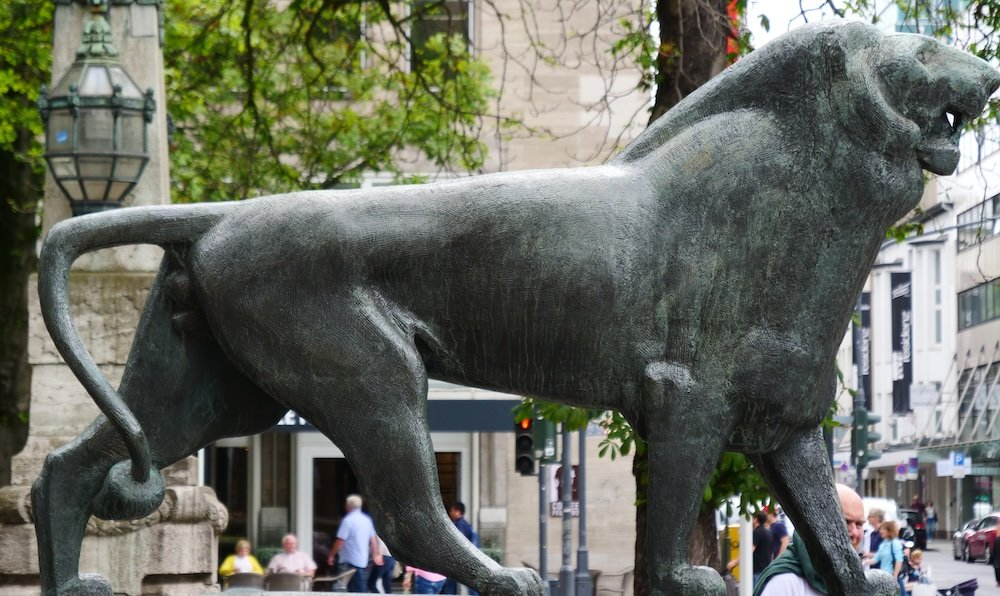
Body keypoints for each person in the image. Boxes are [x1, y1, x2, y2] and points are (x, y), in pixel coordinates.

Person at [754, 483, 866, 596]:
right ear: (819, 523)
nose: (855, 532)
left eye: (859, 524)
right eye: (846, 522)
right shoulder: (785, 582)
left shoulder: (857, 579)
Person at [327, 494, 382, 593]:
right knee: (359, 589)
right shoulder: (367, 521)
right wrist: (375, 555)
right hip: (363, 561)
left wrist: (331, 555)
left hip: (348, 562)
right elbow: (373, 540)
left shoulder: (348, 521)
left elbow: (340, 540)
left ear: (348, 506)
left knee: (342, 589)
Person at [442, 502, 478, 595]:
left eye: (452, 510)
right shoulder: (464, 524)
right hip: (465, 562)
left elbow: (459, 544)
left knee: (450, 585)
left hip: (461, 562)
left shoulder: (460, 525)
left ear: (458, 511)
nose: (450, 513)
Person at [864, 520, 904, 594]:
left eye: (883, 529)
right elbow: (876, 559)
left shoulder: (895, 543)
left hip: (893, 578)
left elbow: (899, 561)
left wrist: (895, 577)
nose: (880, 531)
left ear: (889, 531)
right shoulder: (883, 545)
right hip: (885, 578)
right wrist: (863, 563)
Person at [752, 510, 774, 585]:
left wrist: (735, 562)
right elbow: (771, 552)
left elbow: (750, 550)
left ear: (756, 519)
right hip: (766, 568)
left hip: (757, 569)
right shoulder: (769, 532)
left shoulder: (757, 532)